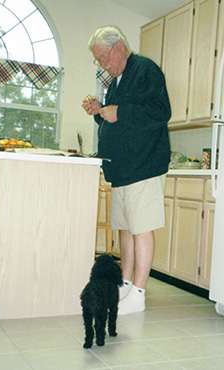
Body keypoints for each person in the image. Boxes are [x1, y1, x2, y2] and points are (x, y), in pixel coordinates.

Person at [82, 25, 171, 315]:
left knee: (141, 228)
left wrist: (118, 111)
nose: (102, 65)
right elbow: (117, 122)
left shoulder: (145, 70)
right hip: (122, 169)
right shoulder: (117, 82)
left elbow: (160, 111)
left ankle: (139, 293)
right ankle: (125, 284)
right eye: (98, 60)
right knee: (126, 228)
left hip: (143, 165)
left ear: (119, 47)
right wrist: (101, 112)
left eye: (103, 58)